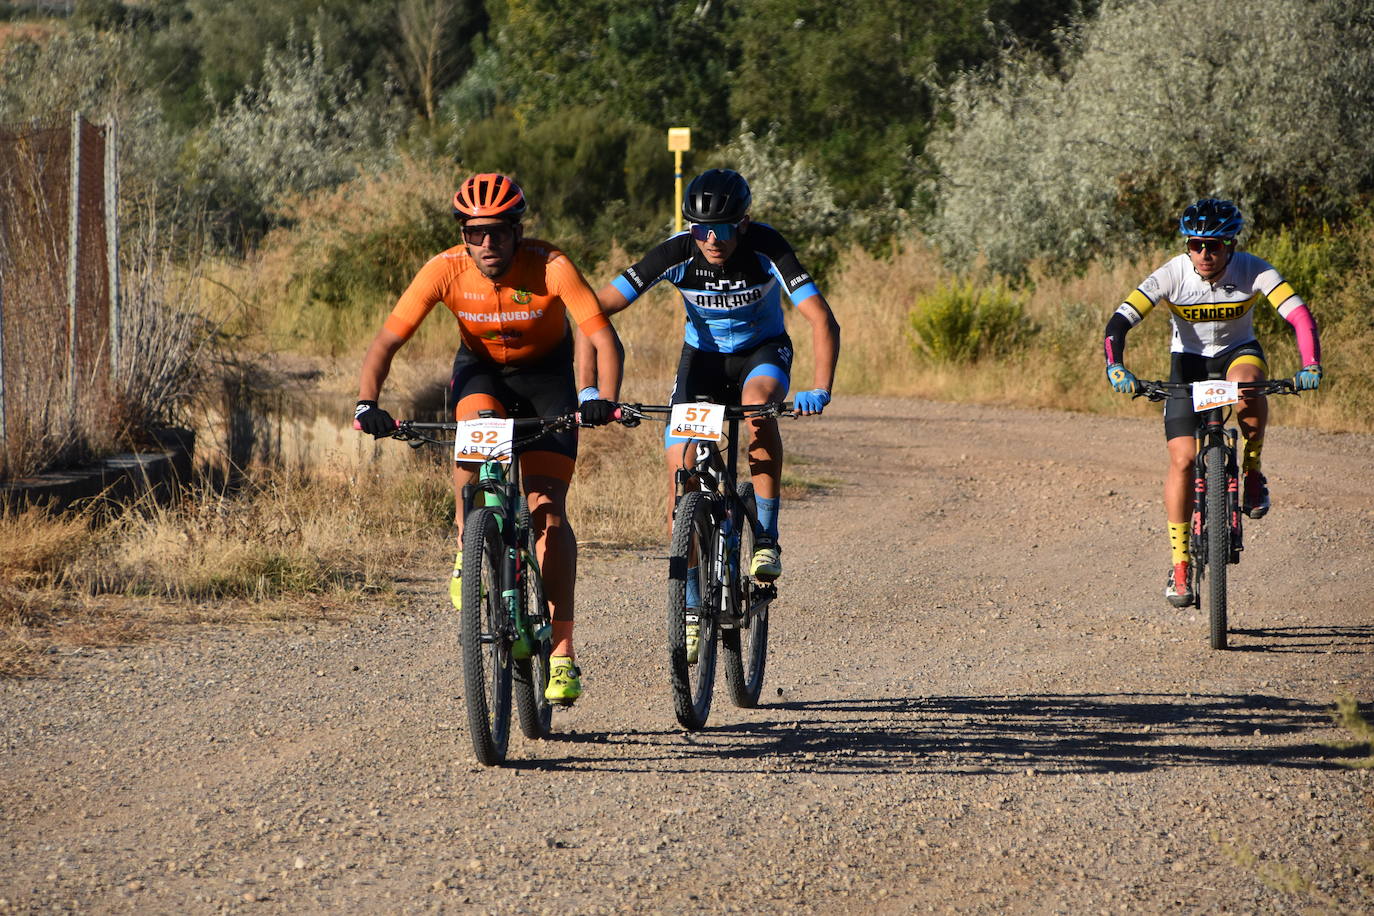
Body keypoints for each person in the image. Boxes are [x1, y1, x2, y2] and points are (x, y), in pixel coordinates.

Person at [355, 173, 624, 705]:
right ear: (463, 233)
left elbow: (601, 335)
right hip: (481, 374)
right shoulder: (444, 270)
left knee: (547, 511)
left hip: (547, 380)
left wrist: (603, 399)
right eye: (475, 233)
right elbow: (387, 341)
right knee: (477, 448)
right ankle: (468, 543)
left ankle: (564, 653)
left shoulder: (551, 266)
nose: (487, 245)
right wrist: (367, 402)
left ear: (517, 231)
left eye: (498, 233)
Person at [584, 168, 839, 655]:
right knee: (679, 465)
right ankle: (692, 603)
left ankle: (765, 536)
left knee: (757, 406)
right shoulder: (679, 250)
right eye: (701, 229)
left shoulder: (766, 246)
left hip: (761, 353)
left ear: (744, 223)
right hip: (701, 361)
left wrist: (820, 389)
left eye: (721, 228)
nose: (711, 240)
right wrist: (591, 385)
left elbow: (820, 318)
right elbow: (597, 308)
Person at [1103, 197, 1322, 607]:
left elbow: (1299, 317)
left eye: (1216, 245)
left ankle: (1253, 471)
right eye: (1196, 244)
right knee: (1183, 459)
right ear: (1187, 246)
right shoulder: (1171, 274)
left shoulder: (1255, 269)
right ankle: (1181, 564)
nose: (1205, 253)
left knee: (1248, 382)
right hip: (1187, 364)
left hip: (1238, 351)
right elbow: (1119, 322)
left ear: (1231, 246)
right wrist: (1116, 367)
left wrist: (1310, 364)